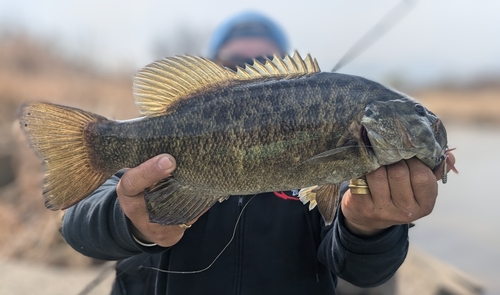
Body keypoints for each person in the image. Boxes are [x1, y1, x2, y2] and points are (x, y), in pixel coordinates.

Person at [61, 11, 455, 295]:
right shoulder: (156, 142)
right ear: (214, 70)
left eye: (263, 64)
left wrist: (371, 229)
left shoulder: (347, 172)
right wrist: (129, 220)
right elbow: (76, 226)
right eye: (237, 65)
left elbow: (362, 272)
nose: (252, 75)